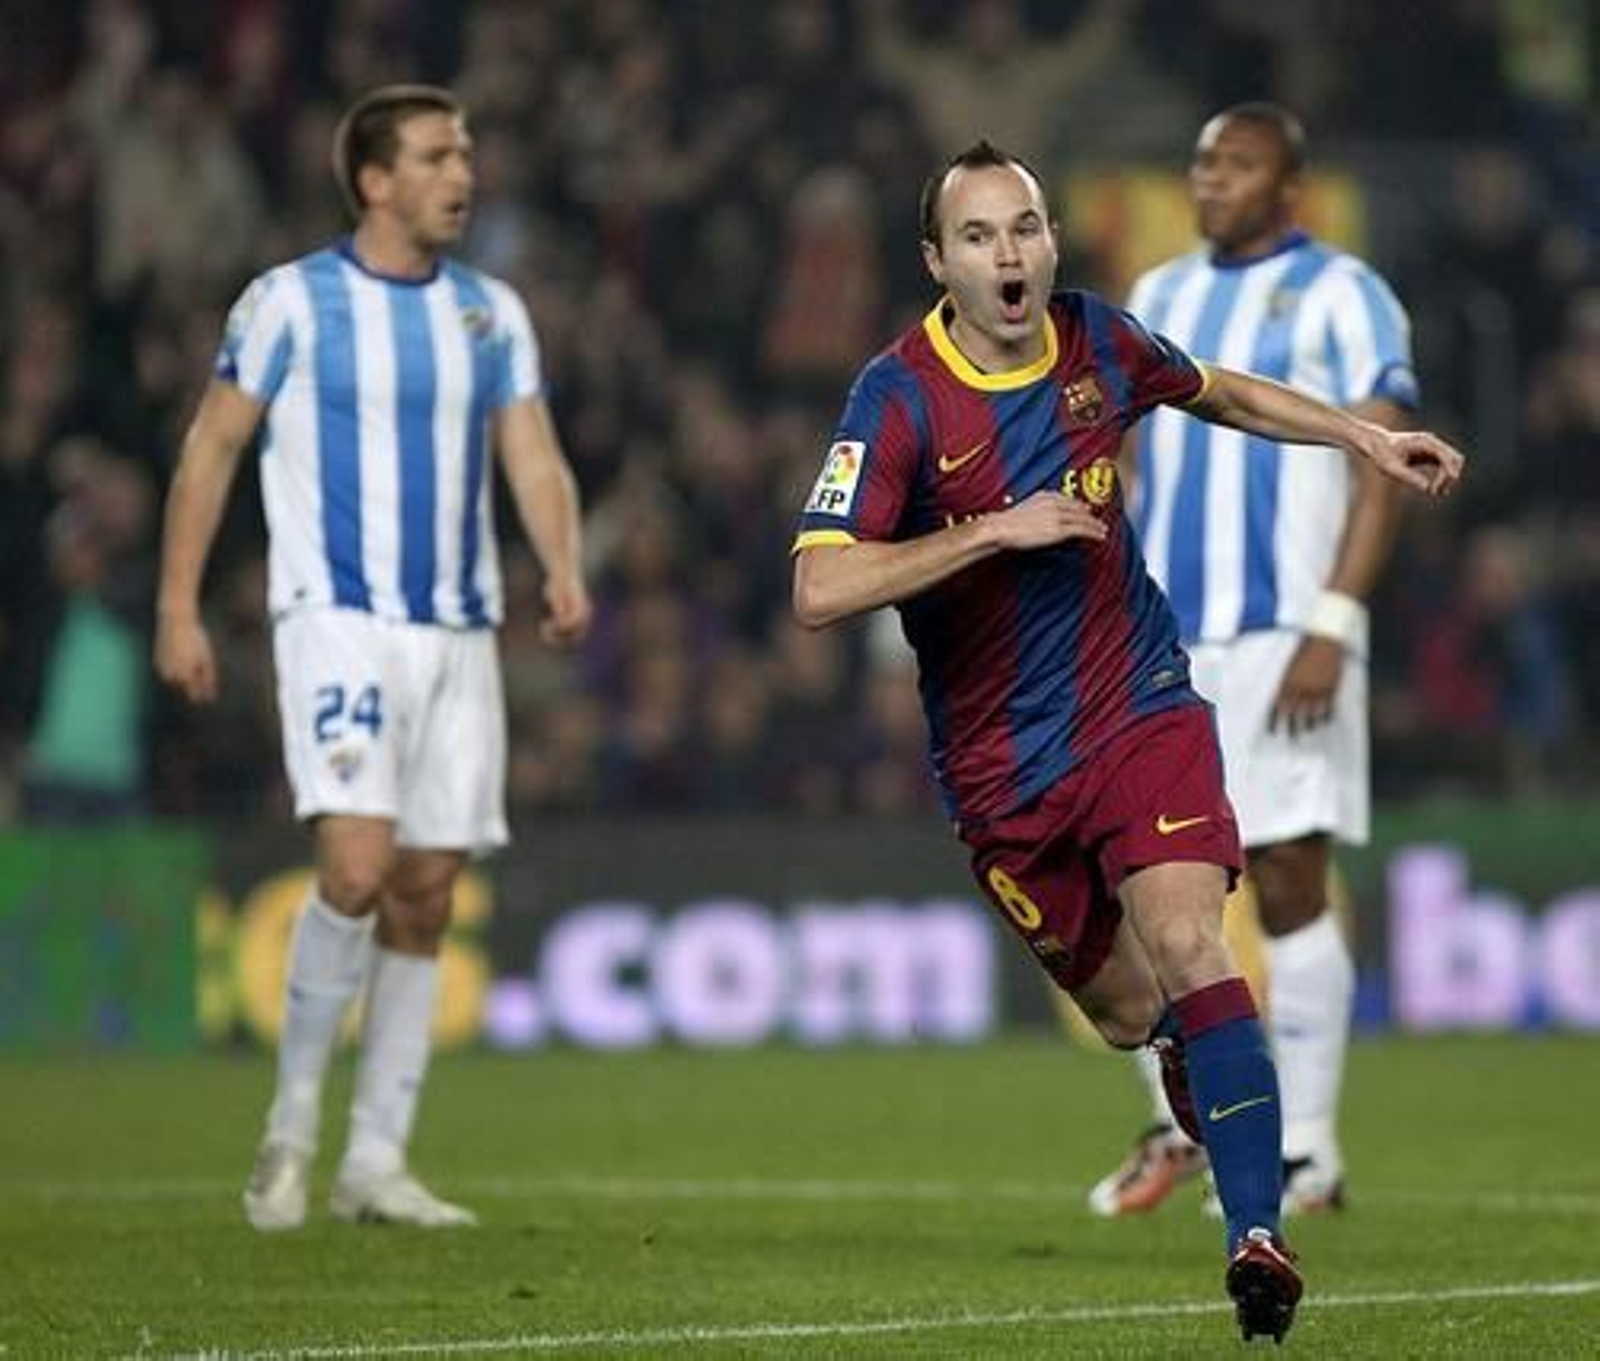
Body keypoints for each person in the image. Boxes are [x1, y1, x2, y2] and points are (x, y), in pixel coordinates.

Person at [790, 140, 1462, 1342]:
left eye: (1029, 227)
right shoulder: (894, 396)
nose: (1014, 254)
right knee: (1121, 1005)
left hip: (1136, 699)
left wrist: (1361, 439)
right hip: (1001, 766)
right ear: (939, 262)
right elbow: (820, 588)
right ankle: (1173, 1052)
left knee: (1192, 937)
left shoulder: (1101, 336)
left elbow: (1224, 389)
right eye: (984, 236)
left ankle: (1256, 1232)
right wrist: (988, 533)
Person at [154, 84, 591, 1230]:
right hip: (336, 616)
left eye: (469, 151)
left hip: (457, 628)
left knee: (429, 887)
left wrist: (560, 562)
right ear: (375, 179)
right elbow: (210, 452)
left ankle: (375, 1159)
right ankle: (290, 1129)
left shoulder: (490, 312)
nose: (465, 172)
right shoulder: (289, 302)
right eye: (441, 154)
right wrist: (178, 606)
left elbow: (532, 453)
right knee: (352, 865)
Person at [1088, 103, 1420, 1222]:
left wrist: (1332, 619)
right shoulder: (1160, 297)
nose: (1209, 179)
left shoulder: (1345, 293)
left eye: (1236, 164)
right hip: (1161, 639)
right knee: (1127, 877)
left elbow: (1379, 468)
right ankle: (1181, 1117)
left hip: (1287, 630)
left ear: (1289, 183)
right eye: (1200, 162)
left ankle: (1310, 1148)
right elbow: (1116, 461)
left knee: (1285, 878)